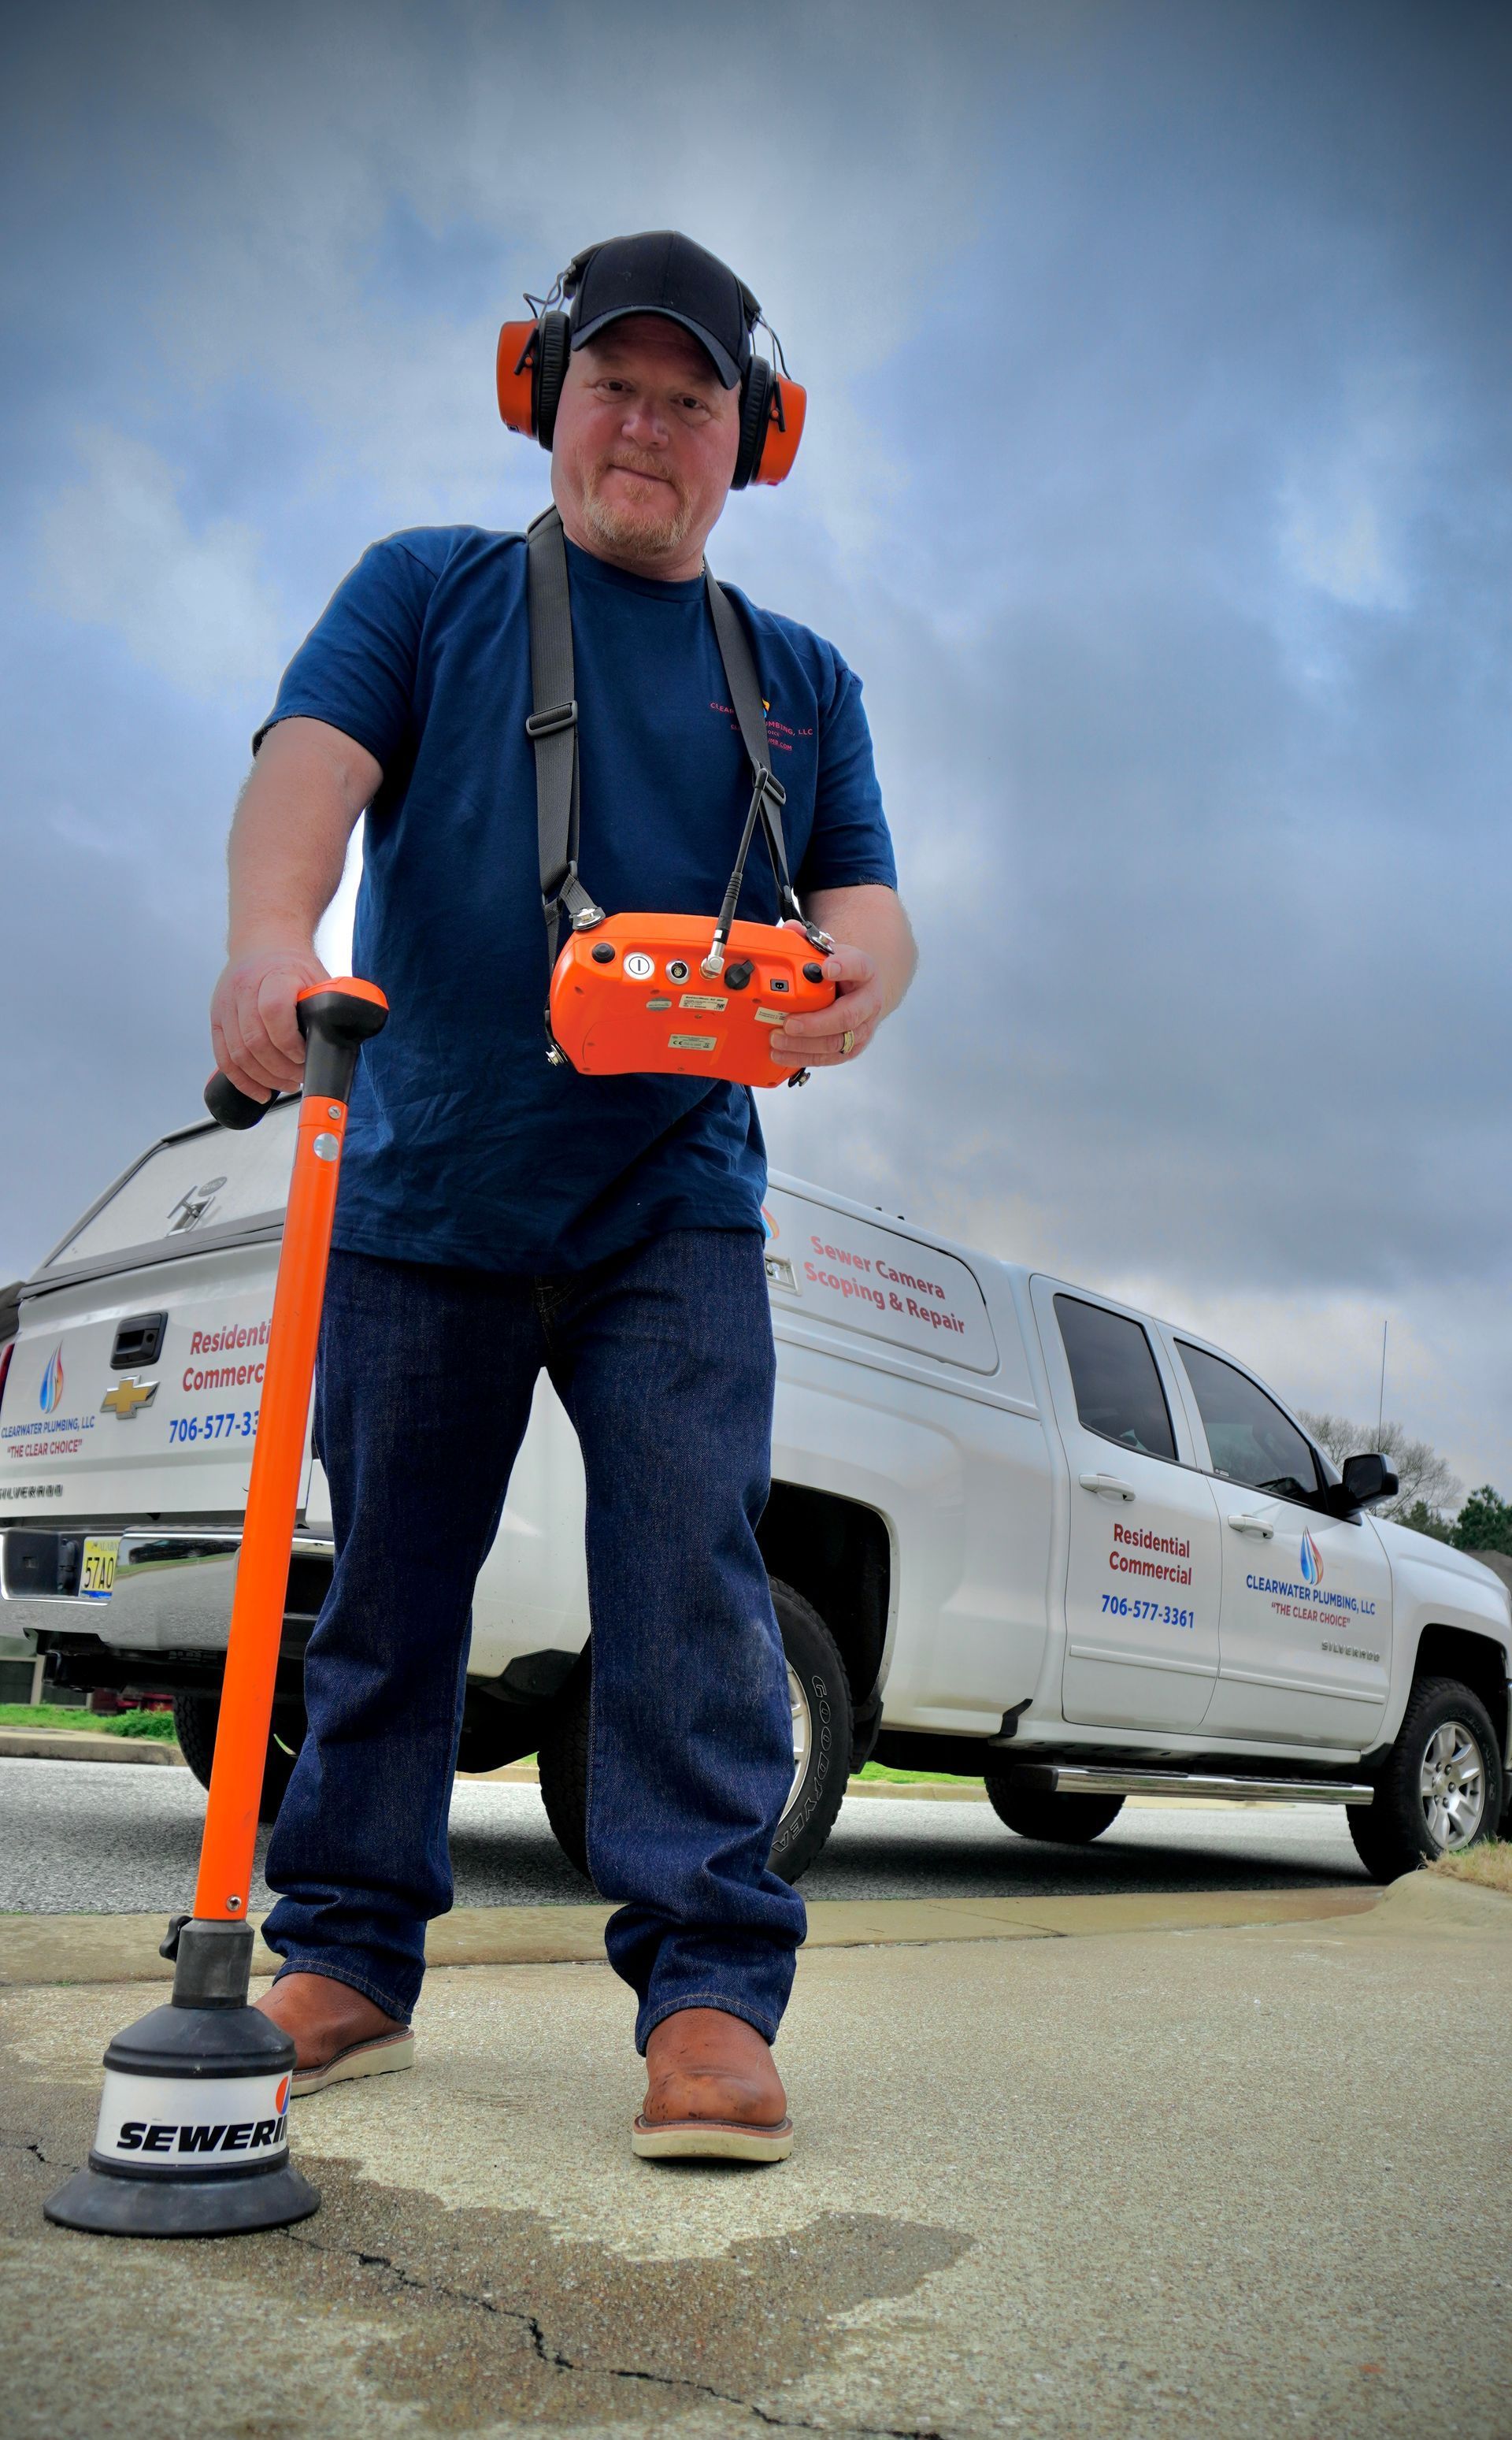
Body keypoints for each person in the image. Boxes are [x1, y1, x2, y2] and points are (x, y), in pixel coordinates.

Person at [210, 229, 915, 2160]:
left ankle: (707, 1993)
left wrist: (865, 972)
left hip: (670, 1203)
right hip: (425, 1185)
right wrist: (274, 937)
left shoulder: (802, 679)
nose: (651, 427)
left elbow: (865, 896)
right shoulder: (424, 591)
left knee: (691, 1575)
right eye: (617, 384)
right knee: (396, 1595)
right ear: (545, 396)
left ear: (751, 441)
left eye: (696, 401)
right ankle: (345, 1948)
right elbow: (309, 765)